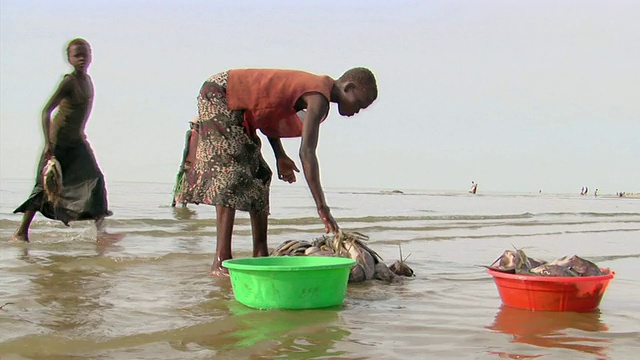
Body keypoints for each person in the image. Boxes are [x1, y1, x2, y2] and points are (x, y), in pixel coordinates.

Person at [181, 67, 378, 276]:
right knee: (231, 172)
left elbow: (269, 114)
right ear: (349, 87)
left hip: (240, 106)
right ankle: (221, 260)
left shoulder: (318, 93)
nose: (358, 110)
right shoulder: (318, 96)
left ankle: (260, 253)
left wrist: (280, 156)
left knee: (260, 174)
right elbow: (307, 153)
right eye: (359, 103)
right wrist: (323, 208)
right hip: (222, 92)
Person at [12, 38, 113, 242]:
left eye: (85, 54)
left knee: (96, 179)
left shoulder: (88, 81)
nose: (82, 59)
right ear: (69, 59)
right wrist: (49, 144)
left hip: (77, 142)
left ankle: (101, 234)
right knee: (43, 187)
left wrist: (81, 133)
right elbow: (46, 112)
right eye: (77, 55)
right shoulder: (69, 81)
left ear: (91, 56)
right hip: (58, 142)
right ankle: (21, 232)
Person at [171, 117, 199, 207]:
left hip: (187, 161)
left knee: (180, 180)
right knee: (188, 182)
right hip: (196, 163)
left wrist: (183, 162)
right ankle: (184, 204)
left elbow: (186, 148)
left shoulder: (190, 133)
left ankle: (173, 203)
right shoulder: (201, 135)